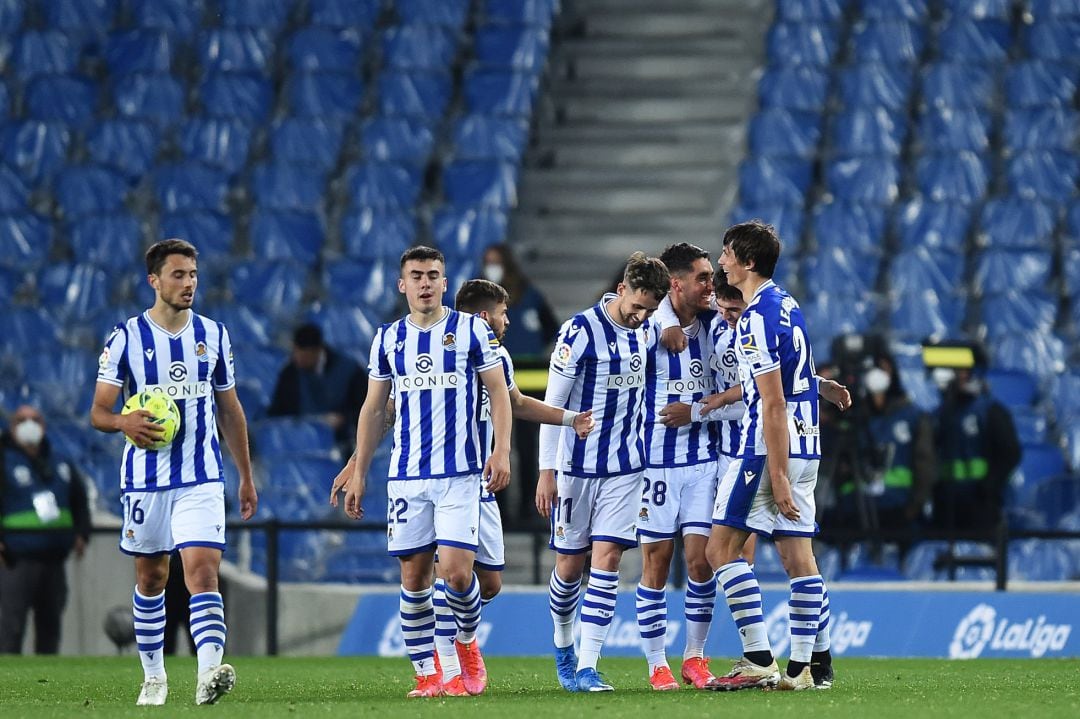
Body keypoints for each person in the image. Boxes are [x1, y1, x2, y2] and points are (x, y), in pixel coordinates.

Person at [333, 246, 513, 699]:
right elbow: (375, 408)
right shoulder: (388, 339)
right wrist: (359, 468)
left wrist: (502, 450)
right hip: (408, 476)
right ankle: (430, 673)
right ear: (402, 284)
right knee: (413, 580)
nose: (426, 282)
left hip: (461, 474)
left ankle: (464, 648)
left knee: (456, 573)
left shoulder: (472, 330)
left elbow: (499, 393)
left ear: (445, 282)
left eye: (433, 274)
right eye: (416, 275)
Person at [90, 239, 258, 706]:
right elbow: (99, 412)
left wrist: (244, 474)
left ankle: (208, 675)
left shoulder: (214, 335)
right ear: (154, 280)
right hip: (145, 480)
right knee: (152, 578)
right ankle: (154, 678)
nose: (188, 284)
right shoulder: (125, 338)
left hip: (201, 477)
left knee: (203, 573)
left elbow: (230, 409)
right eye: (179, 275)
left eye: (193, 275)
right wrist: (123, 420)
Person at [428, 279, 594, 694]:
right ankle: (448, 658)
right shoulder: (437, 353)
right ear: (484, 316)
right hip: (446, 480)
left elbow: (517, 403)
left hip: (481, 486)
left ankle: (446, 630)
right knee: (452, 572)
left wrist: (568, 418)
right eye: (503, 314)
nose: (508, 321)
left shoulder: (497, 356)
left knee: (489, 584)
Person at [705, 220, 831, 692]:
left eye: (727, 253)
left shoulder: (755, 317)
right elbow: (798, 377)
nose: (721, 260)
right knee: (800, 558)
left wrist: (775, 473)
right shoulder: (787, 303)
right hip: (808, 443)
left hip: (766, 448)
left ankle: (759, 658)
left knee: (720, 550)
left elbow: (772, 401)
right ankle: (801, 670)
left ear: (748, 262)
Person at [536, 251, 670, 693]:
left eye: (650, 310)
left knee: (607, 559)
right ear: (623, 289)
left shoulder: (649, 330)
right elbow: (553, 406)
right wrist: (546, 471)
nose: (641, 316)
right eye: (638, 306)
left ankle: (589, 666)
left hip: (626, 466)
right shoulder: (579, 331)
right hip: (577, 467)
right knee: (569, 566)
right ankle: (562, 642)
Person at [632, 244, 730, 691]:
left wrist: (694, 412)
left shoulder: (716, 325)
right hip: (654, 463)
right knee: (656, 560)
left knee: (702, 561)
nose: (712, 286)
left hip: (702, 462)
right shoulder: (648, 325)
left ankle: (695, 657)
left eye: (712, 277)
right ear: (676, 284)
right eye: (703, 278)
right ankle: (657, 664)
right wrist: (666, 322)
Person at [0, 404, 91, 654]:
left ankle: (47, 681)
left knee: (51, 626)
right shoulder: (3, 459)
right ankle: (9, 681)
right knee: (11, 625)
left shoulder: (59, 460)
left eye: (35, 419)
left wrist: (82, 534)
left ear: (44, 426)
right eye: (22, 420)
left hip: (55, 558)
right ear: (12, 426)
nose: (29, 425)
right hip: (15, 559)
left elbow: (79, 500)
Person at [480, 245, 560, 525]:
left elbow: (553, 326)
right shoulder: (480, 300)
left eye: (497, 262)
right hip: (492, 381)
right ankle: (497, 505)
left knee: (527, 447)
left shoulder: (530, 294)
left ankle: (527, 508)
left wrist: (536, 347)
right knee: (495, 446)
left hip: (530, 381)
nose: (493, 268)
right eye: (488, 263)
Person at [833, 356, 936, 541]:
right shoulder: (854, 417)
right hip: (855, 510)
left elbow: (925, 464)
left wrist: (913, 508)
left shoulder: (912, 416)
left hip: (898, 512)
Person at [932, 360, 1020, 532]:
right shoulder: (941, 414)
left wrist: (988, 487)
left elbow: (1011, 452)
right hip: (946, 505)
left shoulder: (991, 411)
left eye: (966, 371)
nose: (961, 376)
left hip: (980, 505)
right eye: (958, 371)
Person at [268, 322, 367, 449]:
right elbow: (277, 413)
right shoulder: (289, 374)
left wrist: (344, 420)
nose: (299, 359)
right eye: (296, 353)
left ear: (318, 351)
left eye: (305, 356)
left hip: (341, 444)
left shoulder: (349, 371)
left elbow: (366, 409)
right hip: (301, 444)